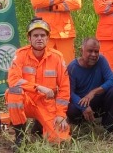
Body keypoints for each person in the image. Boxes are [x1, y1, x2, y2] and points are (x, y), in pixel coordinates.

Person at [4, 18, 71, 146]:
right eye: (35, 35)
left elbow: (64, 87)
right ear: (29, 38)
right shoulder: (21, 55)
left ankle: (40, 126)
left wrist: (61, 114)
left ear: (48, 38)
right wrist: (39, 87)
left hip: (46, 103)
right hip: (26, 100)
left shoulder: (57, 57)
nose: (39, 38)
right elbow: (13, 80)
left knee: (60, 140)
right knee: (13, 92)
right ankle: (20, 139)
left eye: (42, 35)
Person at [66, 38, 113, 134]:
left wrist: (93, 92)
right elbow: (69, 92)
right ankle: (81, 126)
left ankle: (107, 129)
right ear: (82, 50)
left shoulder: (101, 60)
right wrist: (83, 107)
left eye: (96, 51)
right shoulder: (73, 67)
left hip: (97, 101)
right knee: (71, 110)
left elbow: (112, 80)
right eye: (90, 51)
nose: (93, 55)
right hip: (80, 103)